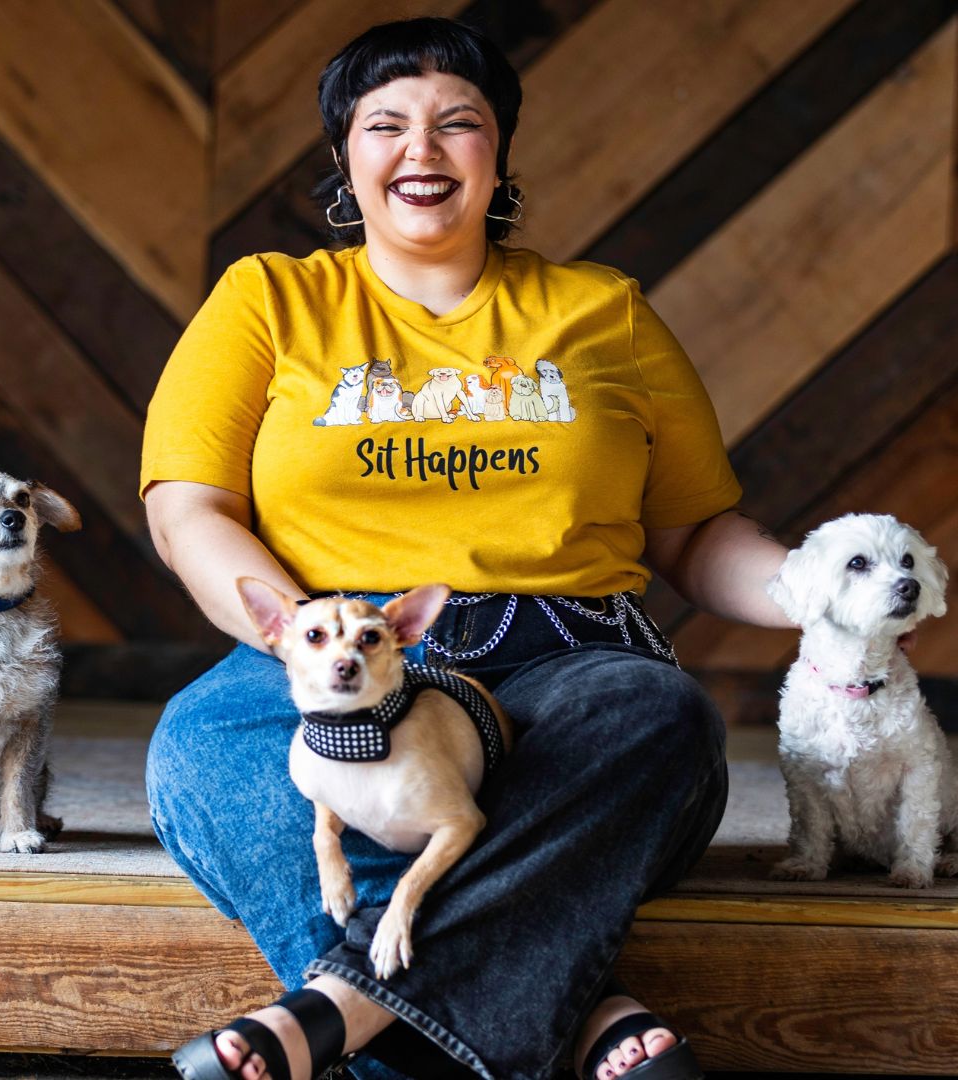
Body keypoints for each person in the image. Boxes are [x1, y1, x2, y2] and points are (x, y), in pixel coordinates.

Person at [141, 17, 791, 1080]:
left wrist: (822, 591)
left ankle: (336, 1010)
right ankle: (583, 1017)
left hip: (563, 678)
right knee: (207, 750)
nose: (422, 149)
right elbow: (189, 512)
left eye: (459, 124)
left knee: (655, 718)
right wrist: (310, 647)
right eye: (385, 123)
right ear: (346, 157)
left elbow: (696, 535)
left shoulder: (603, 312)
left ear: (501, 153)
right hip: (334, 658)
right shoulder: (268, 300)